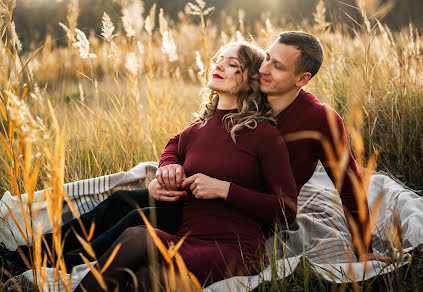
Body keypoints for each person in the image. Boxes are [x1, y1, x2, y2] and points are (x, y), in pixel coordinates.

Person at [75, 42, 297, 291]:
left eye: (232, 64)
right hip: (186, 239)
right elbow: (173, 146)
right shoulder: (198, 127)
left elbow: (286, 210)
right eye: (219, 59)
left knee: (138, 237)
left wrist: (225, 190)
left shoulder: (264, 134)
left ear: (251, 81)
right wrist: (166, 168)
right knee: (145, 277)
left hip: (234, 250)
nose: (219, 65)